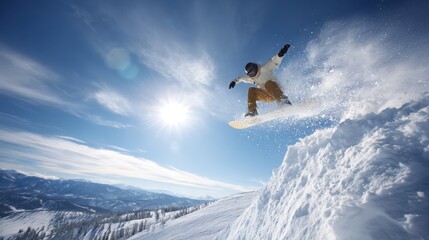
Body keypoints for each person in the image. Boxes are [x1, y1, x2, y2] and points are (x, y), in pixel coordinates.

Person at [229, 44, 292, 117]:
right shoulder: (252, 78)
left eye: (253, 72)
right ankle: (252, 112)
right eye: (250, 74)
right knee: (251, 90)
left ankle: (283, 101)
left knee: (268, 83)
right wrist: (234, 81)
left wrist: (281, 54)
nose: (253, 75)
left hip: (276, 91)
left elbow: (274, 61)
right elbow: (242, 78)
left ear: (255, 68)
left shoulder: (264, 69)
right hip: (267, 96)